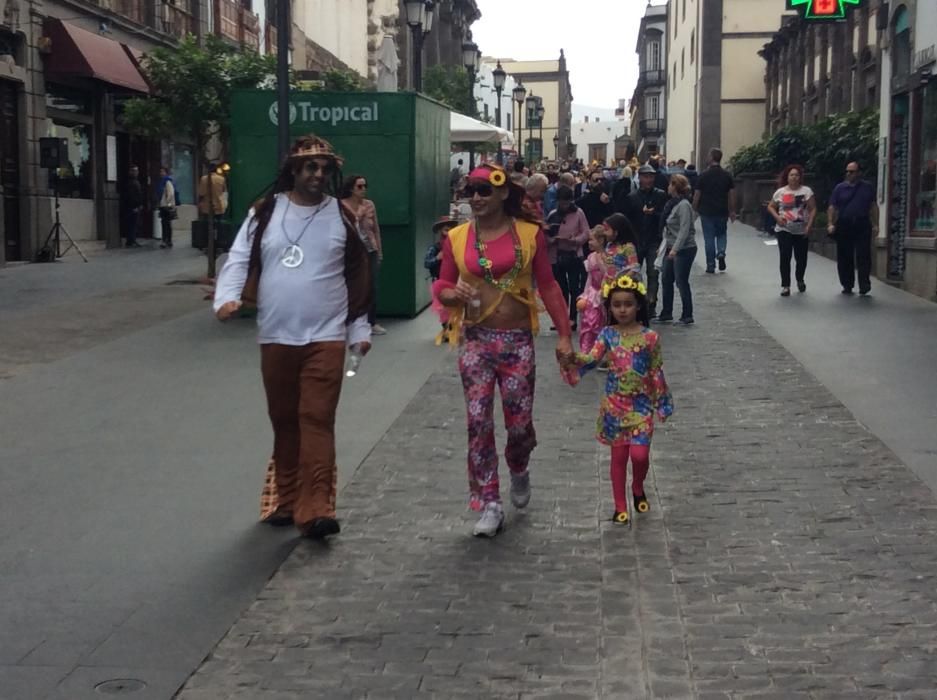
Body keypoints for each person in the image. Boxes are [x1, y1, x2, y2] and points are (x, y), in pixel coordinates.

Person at [212, 135, 371, 539]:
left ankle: (316, 508)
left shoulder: (341, 216)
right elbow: (239, 258)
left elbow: (358, 275)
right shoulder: (265, 213)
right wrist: (227, 298)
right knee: (284, 420)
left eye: (323, 168)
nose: (317, 174)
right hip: (276, 335)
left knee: (316, 418)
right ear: (294, 171)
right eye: (309, 167)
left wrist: (359, 329)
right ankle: (286, 500)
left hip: (327, 336)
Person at [432, 163, 574, 538]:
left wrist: (564, 335)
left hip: (516, 342)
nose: (476, 198)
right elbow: (443, 284)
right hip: (475, 340)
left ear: (502, 193)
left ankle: (519, 464)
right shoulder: (457, 238)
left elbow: (549, 285)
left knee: (519, 425)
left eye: (483, 191)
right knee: (478, 422)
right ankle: (490, 501)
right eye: (471, 192)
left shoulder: (529, 235)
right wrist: (451, 294)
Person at [563, 274, 673, 526]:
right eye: (617, 305)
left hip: (642, 406)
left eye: (628, 304)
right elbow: (592, 359)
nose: (622, 309)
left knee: (640, 455)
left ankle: (637, 486)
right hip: (615, 407)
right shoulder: (607, 335)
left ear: (638, 306)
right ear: (609, 308)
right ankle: (620, 506)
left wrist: (662, 402)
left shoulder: (650, 338)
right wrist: (572, 359)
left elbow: (656, 370)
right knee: (619, 457)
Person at [341, 175, 386, 335]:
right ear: (351, 188)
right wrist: (358, 217)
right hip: (352, 252)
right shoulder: (343, 205)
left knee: (371, 286)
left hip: (370, 249)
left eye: (365, 186)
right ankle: (349, 321)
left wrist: (379, 252)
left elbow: (376, 230)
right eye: (359, 186)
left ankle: (371, 322)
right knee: (351, 286)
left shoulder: (369, 205)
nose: (363, 189)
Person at [827, 161, 878, 295]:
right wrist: (830, 223)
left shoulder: (867, 187)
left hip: (862, 223)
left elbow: (873, 206)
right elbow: (832, 206)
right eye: (847, 171)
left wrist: (876, 224)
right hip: (845, 224)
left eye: (852, 171)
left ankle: (864, 284)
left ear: (859, 173)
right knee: (844, 255)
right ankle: (847, 284)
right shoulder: (839, 188)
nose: (849, 174)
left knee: (864, 254)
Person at [624, 165, 668, 317]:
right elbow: (627, 219)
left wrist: (653, 213)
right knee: (634, 274)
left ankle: (651, 304)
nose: (648, 180)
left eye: (651, 176)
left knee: (653, 273)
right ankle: (636, 303)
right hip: (636, 240)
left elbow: (664, 217)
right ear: (640, 177)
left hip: (653, 240)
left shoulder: (660, 195)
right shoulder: (632, 197)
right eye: (645, 176)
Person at [545, 185, 590, 330]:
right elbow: (546, 232)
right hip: (557, 256)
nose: (563, 205)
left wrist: (575, 240)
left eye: (566, 202)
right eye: (561, 202)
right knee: (560, 288)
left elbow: (586, 232)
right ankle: (562, 318)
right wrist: (551, 240)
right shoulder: (553, 214)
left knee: (573, 287)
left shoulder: (579, 213)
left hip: (573, 255)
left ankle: (572, 318)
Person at [768, 164, 816, 297]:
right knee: (785, 257)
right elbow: (771, 206)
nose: (794, 177)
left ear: (800, 177)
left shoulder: (806, 191)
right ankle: (786, 285)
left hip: (801, 230)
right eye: (791, 175)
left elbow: (813, 208)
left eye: (796, 175)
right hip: (784, 229)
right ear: (787, 177)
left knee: (801, 258)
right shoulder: (781, 192)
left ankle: (800, 279)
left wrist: (809, 225)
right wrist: (777, 217)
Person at [658, 174, 698, 324]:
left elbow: (684, 229)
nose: (668, 187)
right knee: (666, 278)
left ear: (675, 187)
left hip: (684, 248)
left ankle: (687, 314)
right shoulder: (673, 203)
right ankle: (666, 312)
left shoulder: (684, 206)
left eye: (670, 185)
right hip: (671, 246)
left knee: (681, 281)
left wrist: (675, 249)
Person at [693, 148, 737, 274]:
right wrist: (732, 210)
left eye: (708, 155)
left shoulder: (703, 175)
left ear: (712, 157)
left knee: (709, 238)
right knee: (722, 234)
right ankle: (721, 252)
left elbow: (697, 194)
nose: (707, 157)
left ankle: (711, 264)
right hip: (722, 210)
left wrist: (694, 209)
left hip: (706, 211)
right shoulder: (727, 175)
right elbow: (732, 194)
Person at [426, 216, 459, 343]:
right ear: (441, 231)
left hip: (455, 281)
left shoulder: (457, 245)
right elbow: (427, 263)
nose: (449, 232)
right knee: (443, 310)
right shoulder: (435, 248)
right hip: (438, 282)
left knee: (455, 308)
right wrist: (437, 258)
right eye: (446, 229)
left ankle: (454, 329)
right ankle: (447, 329)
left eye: (452, 229)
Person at [576, 228, 607, 353]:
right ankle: (586, 350)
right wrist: (585, 294)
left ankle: (601, 350)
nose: (589, 243)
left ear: (600, 240)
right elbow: (589, 278)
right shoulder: (590, 257)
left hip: (603, 292)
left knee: (602, 323)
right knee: (589, 321)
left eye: (591, 240)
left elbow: (607, 274)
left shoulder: (607, 256)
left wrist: (601, 262)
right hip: (592, 292)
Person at [122, 165, 144, 247]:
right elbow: (131, 196)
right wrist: (135, 206)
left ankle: (132, 240)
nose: (136, 172)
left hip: (135, 206)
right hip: (132, 207)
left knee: (134, 224)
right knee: (132, 224)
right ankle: (131, 240)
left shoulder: (135, 182)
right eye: (135, 171)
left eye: (137, 171)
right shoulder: (131, 183)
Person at [156, 166, 177, 249]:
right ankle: (167, 240)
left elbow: (171, 193)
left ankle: (166, 240)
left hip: (166, 206)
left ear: (166, 173)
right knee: (165, 223)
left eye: (162, 171)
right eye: (160, 171)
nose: (161, 173)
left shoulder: (167, 181)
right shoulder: (162, 181)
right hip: (163, 205)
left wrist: (167, 202)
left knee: (166, 224)